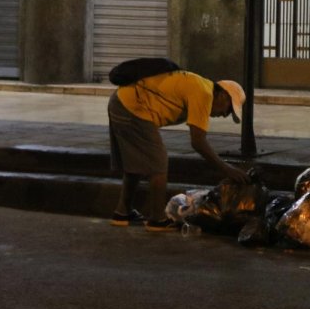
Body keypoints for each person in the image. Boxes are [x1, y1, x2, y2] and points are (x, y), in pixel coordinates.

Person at [107, 70, 249, 231]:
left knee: (136, 164)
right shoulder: (204, 93)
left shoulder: (201, 87)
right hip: (132, 107)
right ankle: (156, 220)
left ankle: (122, 214)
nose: (224, 115)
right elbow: (198, 142)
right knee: (158, 163)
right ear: (223, 95)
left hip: (122, 102)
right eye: (229, 109)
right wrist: (227, 169)